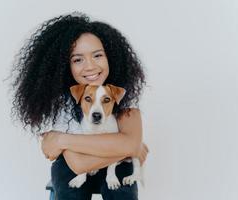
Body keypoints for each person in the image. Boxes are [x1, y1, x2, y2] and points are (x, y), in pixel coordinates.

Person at [11, 12, 149, 200]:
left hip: (113, 168)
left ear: (111, 57)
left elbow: (130, 144)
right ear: (64, 65)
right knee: (70, 189)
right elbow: (78, 163)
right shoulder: (56, 100)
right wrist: (125, 149)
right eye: (77, 59)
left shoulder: (122, 93)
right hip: (72, 165)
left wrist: (61, 139)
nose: (90, 66)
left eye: (97, 55)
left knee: (122, 191)